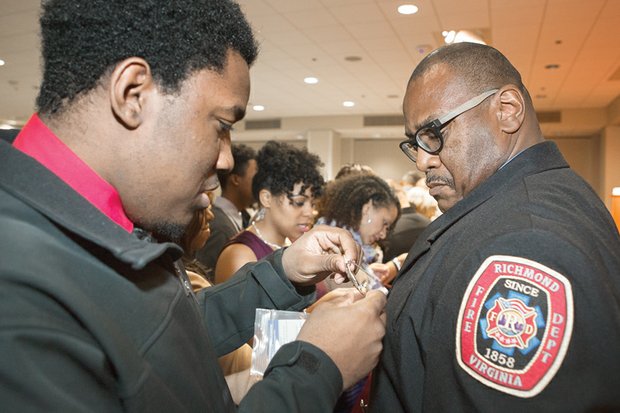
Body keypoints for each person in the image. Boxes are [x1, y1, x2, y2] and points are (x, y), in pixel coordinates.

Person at [0, 1, 388, 411]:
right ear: (133, 94)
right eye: (222, 126)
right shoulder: (17, 293)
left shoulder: (95, 222)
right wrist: (317, 367)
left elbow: (163, 339)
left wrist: (283, 272)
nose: (225, 160)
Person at [370, 42, 620, 412]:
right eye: (415, 143)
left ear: (507, 110)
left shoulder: (527, 243)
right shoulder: (517, 205)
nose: (423, 160)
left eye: (434, 133)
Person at [214, 140, 325, 283]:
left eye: (313, 204)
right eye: (299, 202)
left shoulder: (292, 243)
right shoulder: (241, 255)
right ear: (266, 198)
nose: (310, 212)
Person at [316, 174, 402, 294]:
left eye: (387, 228)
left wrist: (368, 272)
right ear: (367, 208)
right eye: (384, 223)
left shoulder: (339, 240)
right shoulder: (335, 247)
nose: (383, 235)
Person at [195, 143, 257, 280]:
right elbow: (205, 278)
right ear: (235, 180)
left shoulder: (243, 218)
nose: (258, 184)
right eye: (254, 178)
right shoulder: (217, 226)